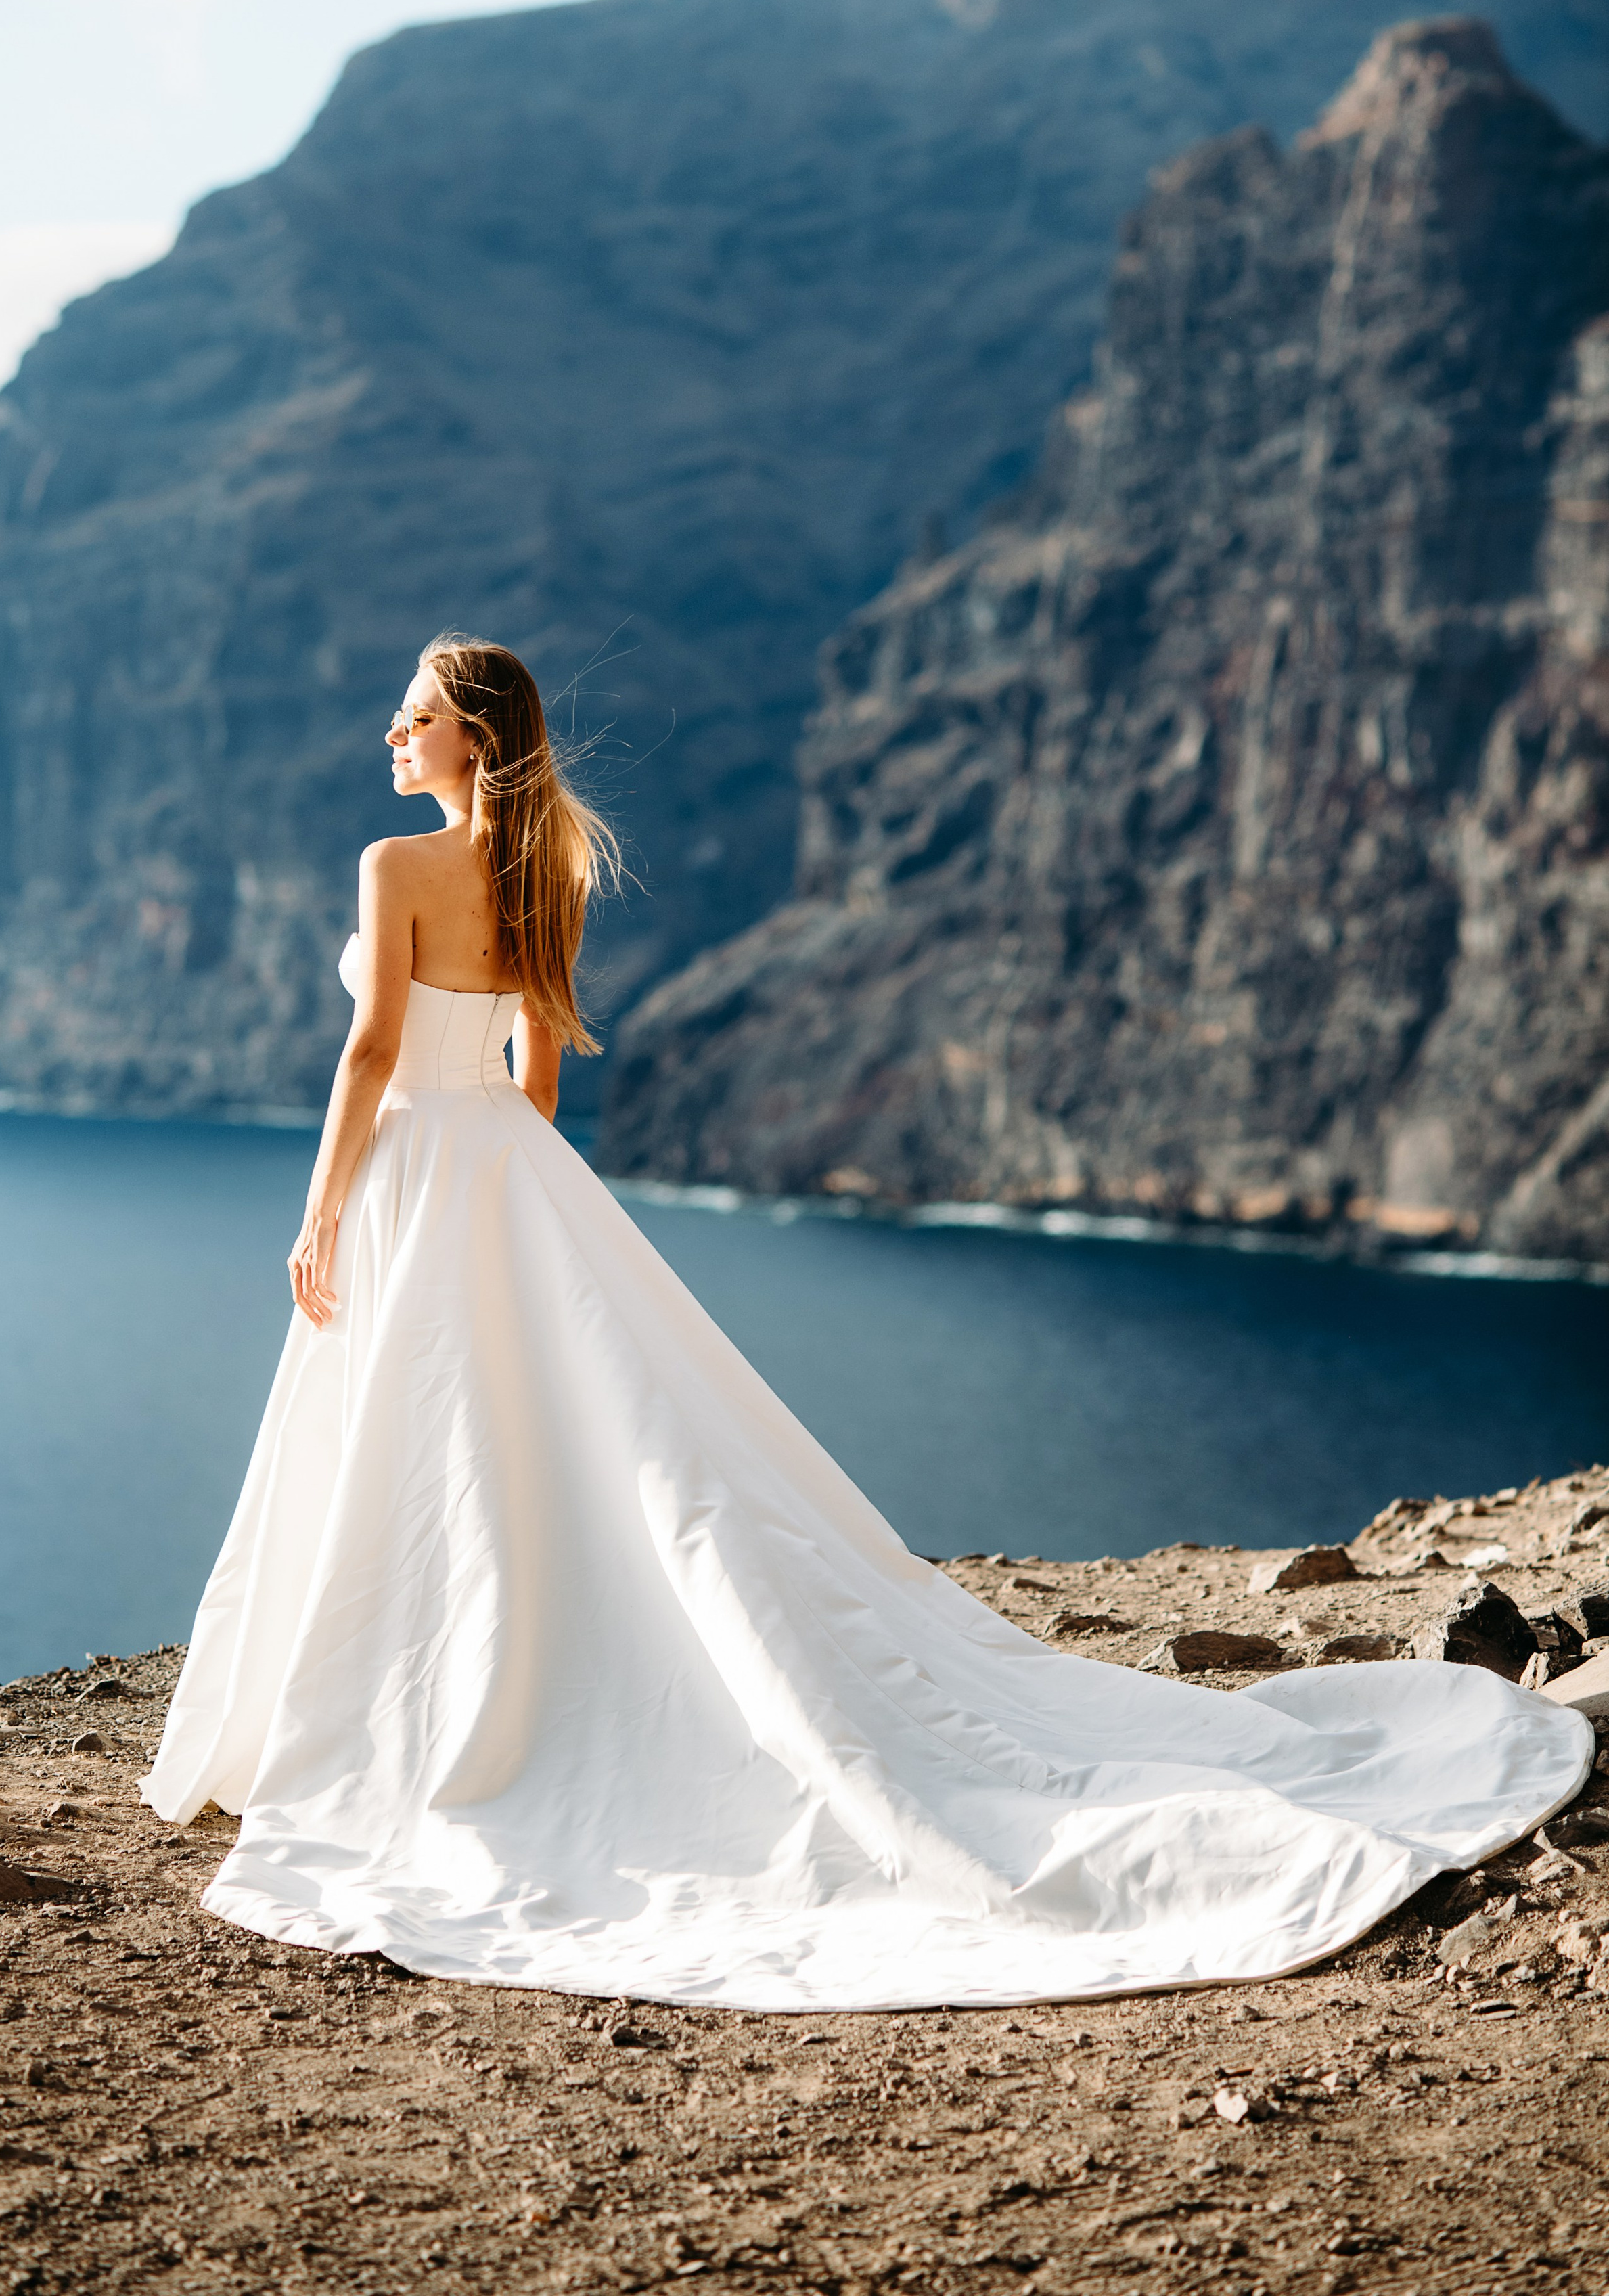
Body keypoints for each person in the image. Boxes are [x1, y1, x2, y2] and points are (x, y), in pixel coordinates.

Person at [142, 633, 1590, 2011]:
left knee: (415, 1441)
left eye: (413, 711)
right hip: (510, 1175)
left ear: (471, 730)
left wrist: (322, 1210)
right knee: (542, 1435)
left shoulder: (391, 863)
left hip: (412, 1168)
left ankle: (393, 1703)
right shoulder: (546, 874)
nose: (390, 733)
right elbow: (535, 1075)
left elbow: (373, 1047)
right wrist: (518, 1200)